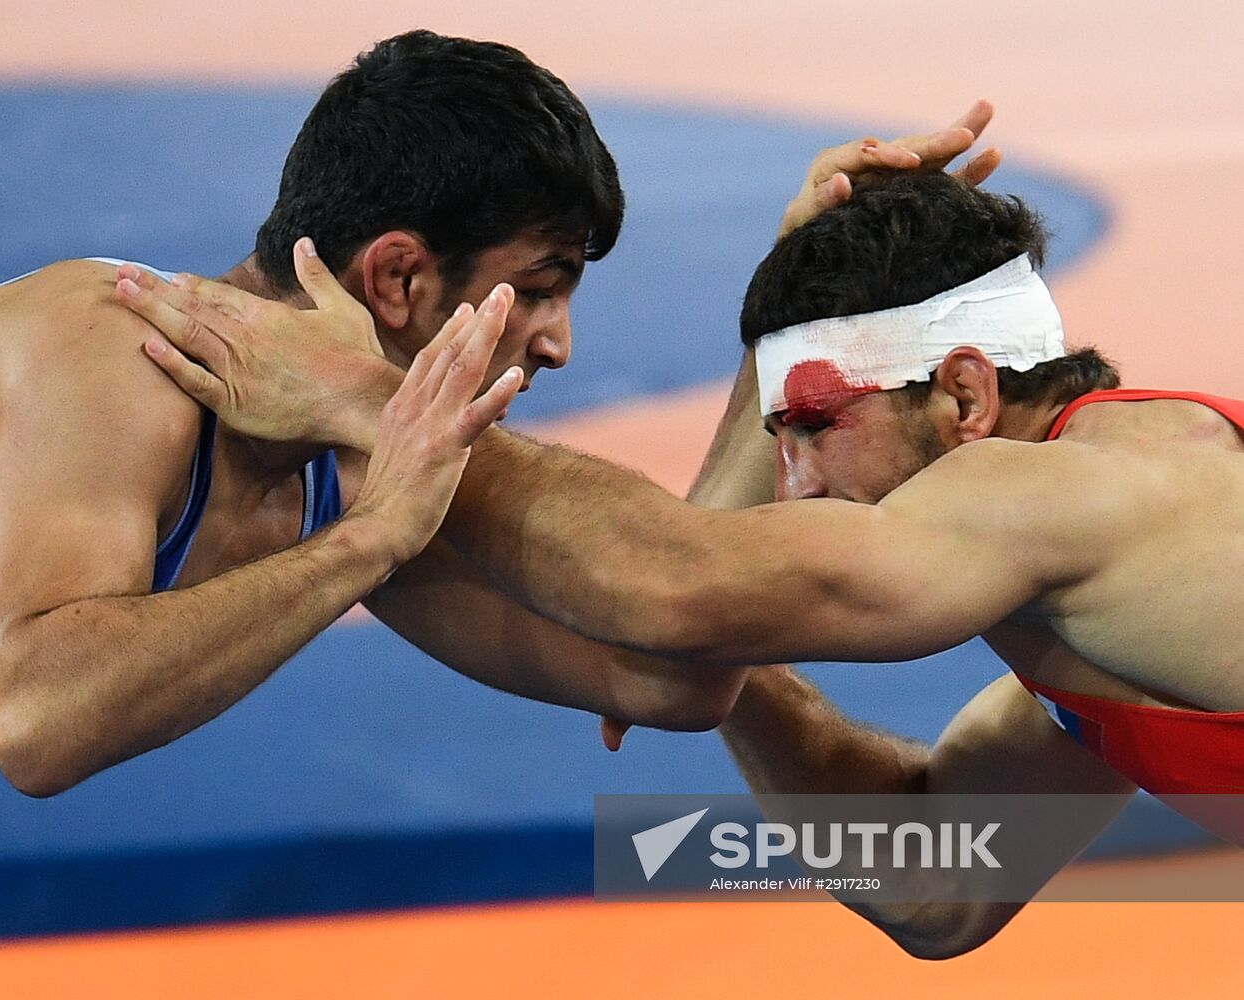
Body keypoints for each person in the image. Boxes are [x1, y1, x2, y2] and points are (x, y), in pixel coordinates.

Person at [123, 136, 1244, 958]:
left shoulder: (1053, 495)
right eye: (779, 440)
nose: (794, 487)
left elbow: (673, 582)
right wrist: (732, 654)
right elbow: (935, 877)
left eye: (817, 427)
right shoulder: (1094, 603)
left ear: (963, 394)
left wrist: (373, 401)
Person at [0, 29, 744, 794]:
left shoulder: (363, 473)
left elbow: (669, 676)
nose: (558, 347)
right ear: (399, 278)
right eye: (540, 291)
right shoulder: (116, 358)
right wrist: (367, 543)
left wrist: (779, 341)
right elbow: (38, 722)